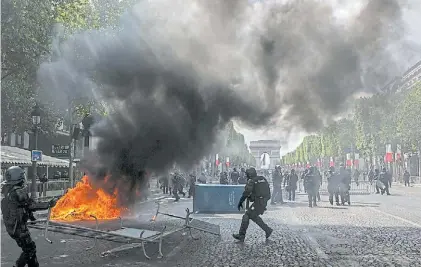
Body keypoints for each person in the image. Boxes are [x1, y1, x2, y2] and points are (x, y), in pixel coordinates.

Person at [1, 166, 57, 267]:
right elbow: (30, 205)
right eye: (23, 176)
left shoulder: (8, 190)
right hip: (19, 229)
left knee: (29, 249)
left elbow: (22, 206)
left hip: (12, 228)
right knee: (30, 249)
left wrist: (31, 218)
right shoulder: (18, 191)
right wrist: (48, 204)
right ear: (18, 178)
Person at [232, 168, 273, 242]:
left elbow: (246, 193)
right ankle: (268, 230)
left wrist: (240, 202)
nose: (246, 176)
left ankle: (241, 235)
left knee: (247, 215)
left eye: (247, 174)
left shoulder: (252, 181)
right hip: (263, 202)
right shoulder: (263, 179)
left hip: (258, 203)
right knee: (254, 217)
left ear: (250, 174)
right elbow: (268, 193)